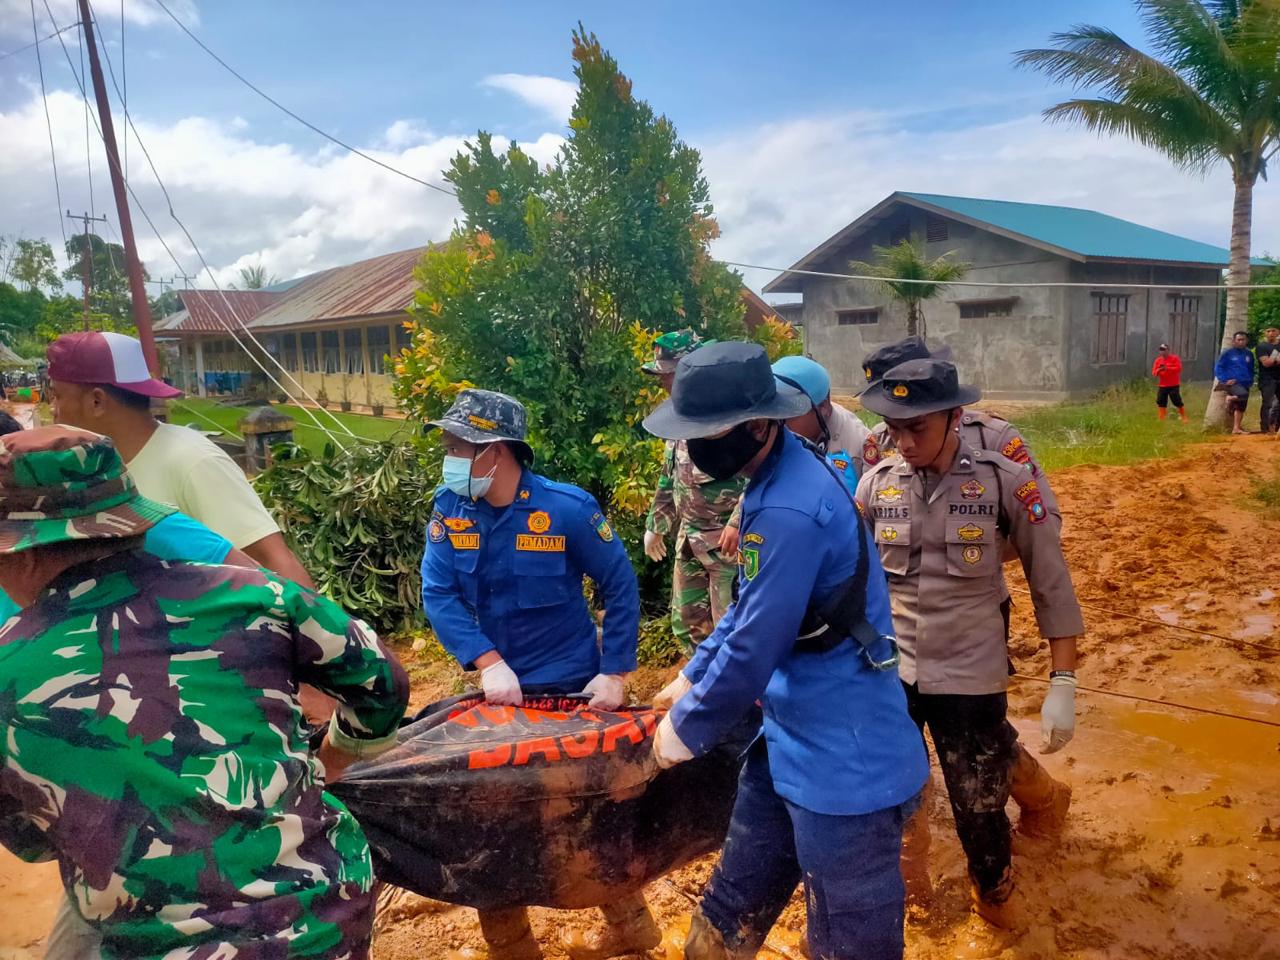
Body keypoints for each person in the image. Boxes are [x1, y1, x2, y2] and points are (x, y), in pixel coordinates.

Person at [0, 427, 409, 960]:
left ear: (23, 554)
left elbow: (30, 837)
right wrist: (332, 758)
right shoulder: (256, 596)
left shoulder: (9, 668)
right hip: (325, 917)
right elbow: (383, 683)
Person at [645, 342, 928, 960]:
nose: (694, 448)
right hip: (785, 736)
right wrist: (691, 676)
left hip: (845, 762)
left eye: (706, 433)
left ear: (756, 425)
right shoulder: (773, 475)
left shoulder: (789, 508)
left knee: (847, 941)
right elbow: (751, 605)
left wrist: (684, 729)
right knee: (727, 912)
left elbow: (753, 646)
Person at [419, 388, 653, 960]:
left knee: (586, 817)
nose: (448, 455)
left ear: (494, 451)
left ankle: (631, 927)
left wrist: (616, 672)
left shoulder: (566, 509)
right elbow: (439, 591)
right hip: (499, 697)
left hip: (572, 693)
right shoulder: (451, 508)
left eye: (458, 444)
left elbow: (620, 585)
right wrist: (486, 661)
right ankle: (512, 947)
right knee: (488, 822)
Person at [857, 358, 1084, 939]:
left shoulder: (1005, 481)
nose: (904, 442)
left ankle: (997, 903)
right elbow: (854, 579)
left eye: (918, 428)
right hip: (894, 672)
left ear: (956, 417)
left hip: (970, 674)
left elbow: (1049, 580)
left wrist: (1063, 683)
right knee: (896, 799)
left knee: (979, 809)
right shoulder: (877, 484)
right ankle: (908, 900)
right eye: (893, 429)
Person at [46, 330, 314, 586]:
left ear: (97, 402)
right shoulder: (100, 469)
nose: (52, 409)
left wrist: (323, 632)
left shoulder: (192, 461)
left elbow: (275, 562)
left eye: (57, 396)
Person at [642, 330, 743, 654]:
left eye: (667, 374)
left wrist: (739, 520)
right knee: (688, 625)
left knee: (731, 629)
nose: (662, 382)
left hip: (727, 547)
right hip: (690, 541)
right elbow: (669, 476)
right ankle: (699, 687)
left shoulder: (728, 417)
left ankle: (740, 701)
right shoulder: (679, 417)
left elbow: (762, 475)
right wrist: (655, 526)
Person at [1214, 331, 1255, 435]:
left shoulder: (1249, 354)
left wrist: (1250, 379)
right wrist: (1225, 379)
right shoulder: (1227, 353)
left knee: (1241, 406)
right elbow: (1218, 367)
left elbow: (1251, 368)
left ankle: (1236, 428)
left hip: (1245, 382)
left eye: (1243, 340)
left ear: (1246, 341)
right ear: (1234, 341)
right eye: (1239, 340)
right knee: (1242, 395)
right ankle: (1230, 398)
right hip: (1232, 383)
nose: (1241, 342)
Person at [1152, 344, 1189, 423]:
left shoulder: (1174, 358)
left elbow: (1178, 368)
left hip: (1173, 385)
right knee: (1161, 401)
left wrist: (1167, 368)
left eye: (1164, 349)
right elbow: (1154, 373)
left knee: (1177, 400)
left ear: (1168, 350)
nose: (1162, 351)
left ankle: (1184, 417)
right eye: (1161, 350)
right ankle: (1161, 418)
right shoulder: (1158, 360)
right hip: (1162, 385)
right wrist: (1158, 370)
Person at [1255, 327, 1280, 434]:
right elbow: (1267, 363)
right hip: (1267, 379)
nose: (1271, 333)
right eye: (1268, 331)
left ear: (1278, 332)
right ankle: (1265, 428)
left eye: (1273, 331)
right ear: (1265, 332)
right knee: (1267, 403)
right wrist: (1276, 356)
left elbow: (1271, 361)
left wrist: (1274, 359)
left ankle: (1277, 427)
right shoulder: (1262, 346)